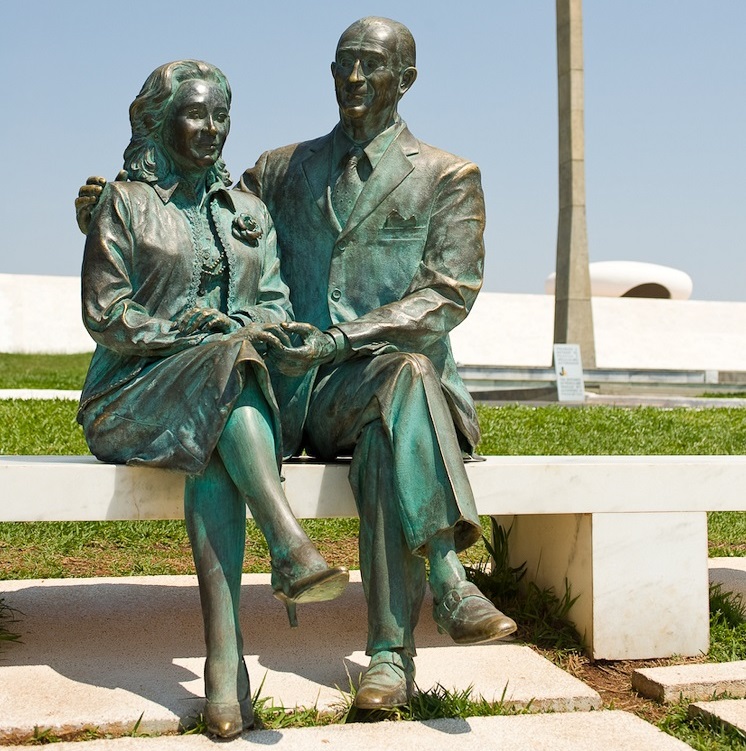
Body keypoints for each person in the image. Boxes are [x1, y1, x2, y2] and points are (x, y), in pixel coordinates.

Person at [76, 17, 516, 713]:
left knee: (401, 386)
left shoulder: (447, 177)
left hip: (379, 381)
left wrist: (340, 341)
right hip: (291, 387)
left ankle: (394, 650)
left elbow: (446, 294)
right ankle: (441, 573)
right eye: (345, 63)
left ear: (406, 79)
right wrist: (110, 210)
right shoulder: (282, 170)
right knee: (265, 390)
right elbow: (197, 205)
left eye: (372, 65)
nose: (355, 78)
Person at [77, 59, 347, 738]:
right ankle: (288, 547)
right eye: (195, 114)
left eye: (220, 116)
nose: (210, 129)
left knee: (227, 413)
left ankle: (224, 674)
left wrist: (268, 329)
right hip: (133, 392)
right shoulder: (125, 202)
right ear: (159, 121)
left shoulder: (248, 210)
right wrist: (182, 329)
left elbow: (277, 300)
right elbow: (105, 313)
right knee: (227, 373)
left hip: (230, 396)